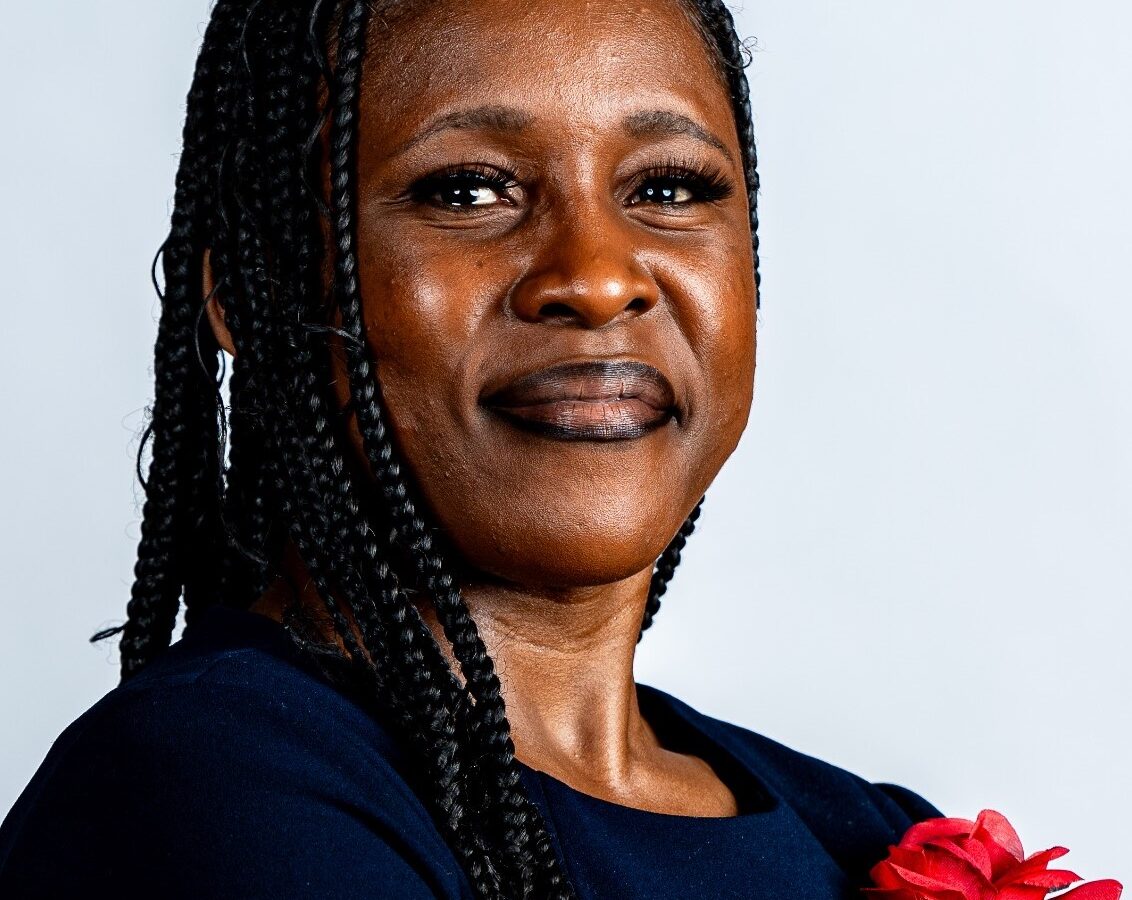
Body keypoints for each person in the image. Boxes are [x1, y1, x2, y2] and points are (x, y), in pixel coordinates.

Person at [0, 0, 941, 897]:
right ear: (257, 292)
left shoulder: (871, 837)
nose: (600, 279)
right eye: (466, 191)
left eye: (667, 187)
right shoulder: (209, 792)